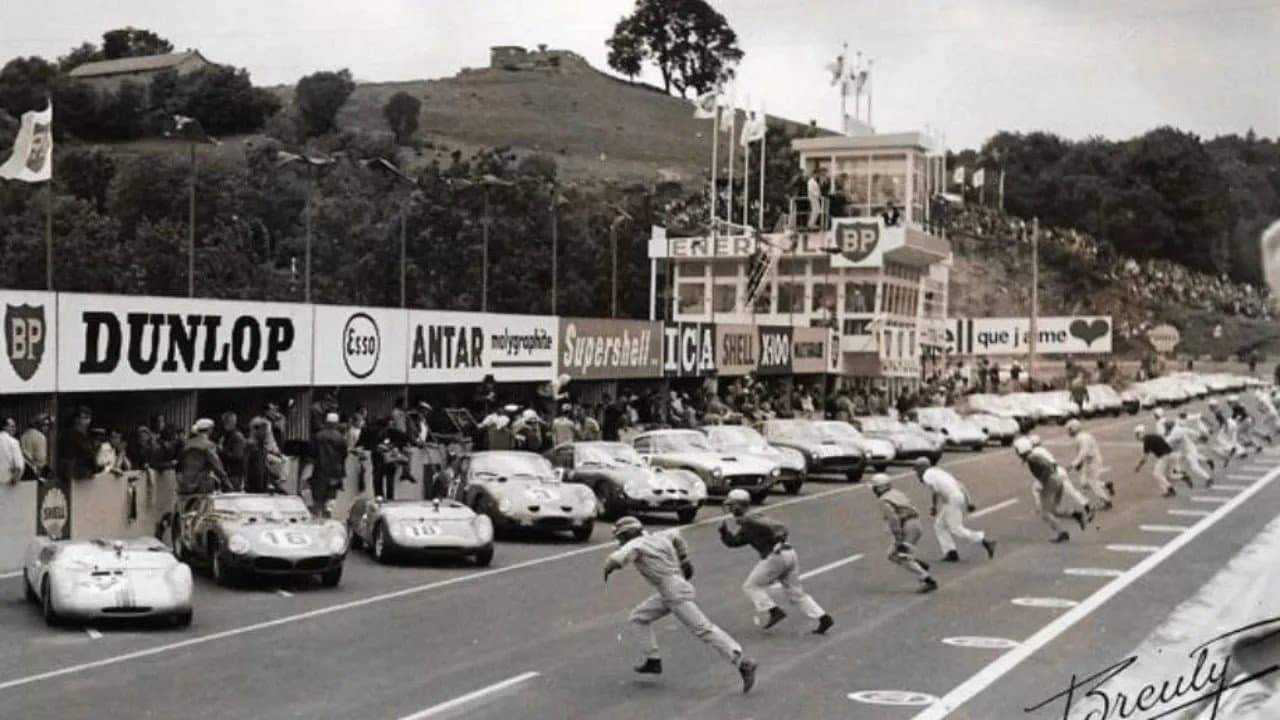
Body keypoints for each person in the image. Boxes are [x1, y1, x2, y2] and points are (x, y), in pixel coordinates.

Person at [603, 516, 758, 693]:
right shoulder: (659, 536)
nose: (620, 541)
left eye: (621, 537)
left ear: (627, 534)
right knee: (638, 617)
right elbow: (677, 536)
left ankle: (742, 662)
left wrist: (608, 567)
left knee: (703, 629)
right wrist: (684, 558)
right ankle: (653, 659)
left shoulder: (636, 545)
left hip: (673, 592)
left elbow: (616, 559)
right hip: (673, 587)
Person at [718, 489, 834, 634]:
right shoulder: (748, 523)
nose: (730, 509)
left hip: (776, 555)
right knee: (796, 594)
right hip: (788, 554)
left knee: (751, 586)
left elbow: (780, 527)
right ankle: (824, 618)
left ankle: (774, 611)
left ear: (738, 506)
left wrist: (779, 538)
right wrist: (724, 533)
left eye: (731, 506)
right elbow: (735, 542)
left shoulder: (750, 519)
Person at [913, 458, 996, 562]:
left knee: (956, 529)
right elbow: (960, 485)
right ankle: (951, 552)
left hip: (951, 500)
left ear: (922, 468)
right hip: (956, 497)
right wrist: (969, 501)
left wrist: (934, 506)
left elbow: (935, 491)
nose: (917, 474)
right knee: (939, 526)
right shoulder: (939, 472)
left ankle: (985, 541)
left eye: (917, 470)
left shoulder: (927, 475)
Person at [870, 473, 938, 593]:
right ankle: (917, 564)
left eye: (874, 488)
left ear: (879, 488)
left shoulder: (884, 501)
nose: (873, 491)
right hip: (915, 524)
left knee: (901, 556)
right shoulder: (896, 493)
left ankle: (927, 579)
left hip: (908, 527)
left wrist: (898, 538)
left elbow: (893, 520)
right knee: (891, 554)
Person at [1013, 436, 1087, 543]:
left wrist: (1043, 482)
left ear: (1021, 449)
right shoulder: (1033, 456)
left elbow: (1047, 467)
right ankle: (1076, 515)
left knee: (1045, 514)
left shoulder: (1032, 458)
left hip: (1050, 481)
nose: (1016, 453)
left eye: (1017, 450)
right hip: (1057, 479)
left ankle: (1062, 533)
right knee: (1054, 510)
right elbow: (1050, 466)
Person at [1067, 419, 1113, 509]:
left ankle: (1106, 501)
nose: (1069, 432)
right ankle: (1106, 485)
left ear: (1074, 429)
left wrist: (1073, 464)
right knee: (1085, 483)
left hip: (1092, 461)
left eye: (1070, 429)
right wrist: (1079, 464)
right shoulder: (1082, 436)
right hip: (1089, 461)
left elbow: (1083, 452)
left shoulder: (1082, 438)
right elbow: (1082, 453)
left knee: (1092, 483)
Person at [309, 413, 348, 517]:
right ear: (336, 423)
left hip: (319, 471)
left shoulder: (318, 436)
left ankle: (317, 517)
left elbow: (312, 453)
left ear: (326, 422)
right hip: (335, 472)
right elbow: (344, 454)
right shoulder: (340, 437)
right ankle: (327, 515)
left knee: (318, 497)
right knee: (331, 495)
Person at [1133, 425, 1177, 498]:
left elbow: (1144, 458)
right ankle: (1167, 490)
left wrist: (1138, 467)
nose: (1137, 437)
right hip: (1171, 455)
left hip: (1165, 457)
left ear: (1141, 433)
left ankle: (1170, 489)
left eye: (1137, 435)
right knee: (1163, 474)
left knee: (1157, 474)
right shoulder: (1152, 436)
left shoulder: (1146, 441)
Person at [60, 406, 98, 481]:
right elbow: (68, 460)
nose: (88, 421)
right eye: (85, 418)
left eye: (89, 418)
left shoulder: (87, 437)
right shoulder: (69, 436)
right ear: (76, 419)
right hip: (76, 478)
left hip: (88, 477)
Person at [219, 412, 247, 491]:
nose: (224, 425)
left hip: (234, 473)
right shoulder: (227, 435)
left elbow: (238, 455)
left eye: (226, 422)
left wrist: (221, 451)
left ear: (232, 422)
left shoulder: (237, 436)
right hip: (229, 471)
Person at [19, 414, 52, 481]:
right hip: (33, 470)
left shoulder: (24, 434)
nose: (47, 428)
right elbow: (40, 458)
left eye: (48, 425)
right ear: (39, 425)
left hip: (22, 468)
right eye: (45, 425)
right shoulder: (40, 437)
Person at [0, 417, 23, 485]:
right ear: (4, 427)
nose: (14, 429)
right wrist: (14, 480)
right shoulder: (13, 442)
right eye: (12, 426)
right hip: (7, 483)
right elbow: (18, 466)